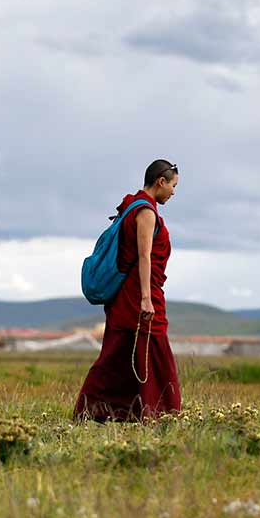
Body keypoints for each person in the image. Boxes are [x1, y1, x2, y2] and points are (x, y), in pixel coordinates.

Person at [74, 159, 181, 422]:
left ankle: (102, 411)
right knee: (153, 352)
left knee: (118, 354)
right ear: (161, 182)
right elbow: (144, 257)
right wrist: (146, 299)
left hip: (127, 296)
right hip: (136, 296)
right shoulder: (145, 211)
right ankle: (161, 413)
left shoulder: (132, 206)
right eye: (173, 186)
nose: (174, 192)